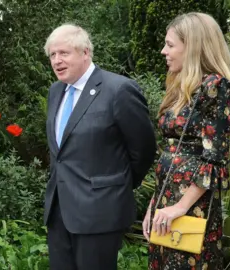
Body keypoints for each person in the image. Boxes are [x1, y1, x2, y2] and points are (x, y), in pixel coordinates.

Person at [44, 24, 157, 269]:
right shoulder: (56, 92)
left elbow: (144, 149)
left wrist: (115, 186)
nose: (57, 60)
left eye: (64, 53)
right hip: (59, 212)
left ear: (85, 52)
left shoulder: (119, 90)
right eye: (52, 55)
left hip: (100, 213)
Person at [142, 12, 230, 269]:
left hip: (191, 205)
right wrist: (154, 205)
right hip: (166, 203)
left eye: (170, 44)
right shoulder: (181, 87)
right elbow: (171, 153)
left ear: (194, 46)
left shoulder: (215, 86)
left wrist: (179, 207)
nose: (164, 51)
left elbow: (215, 159)